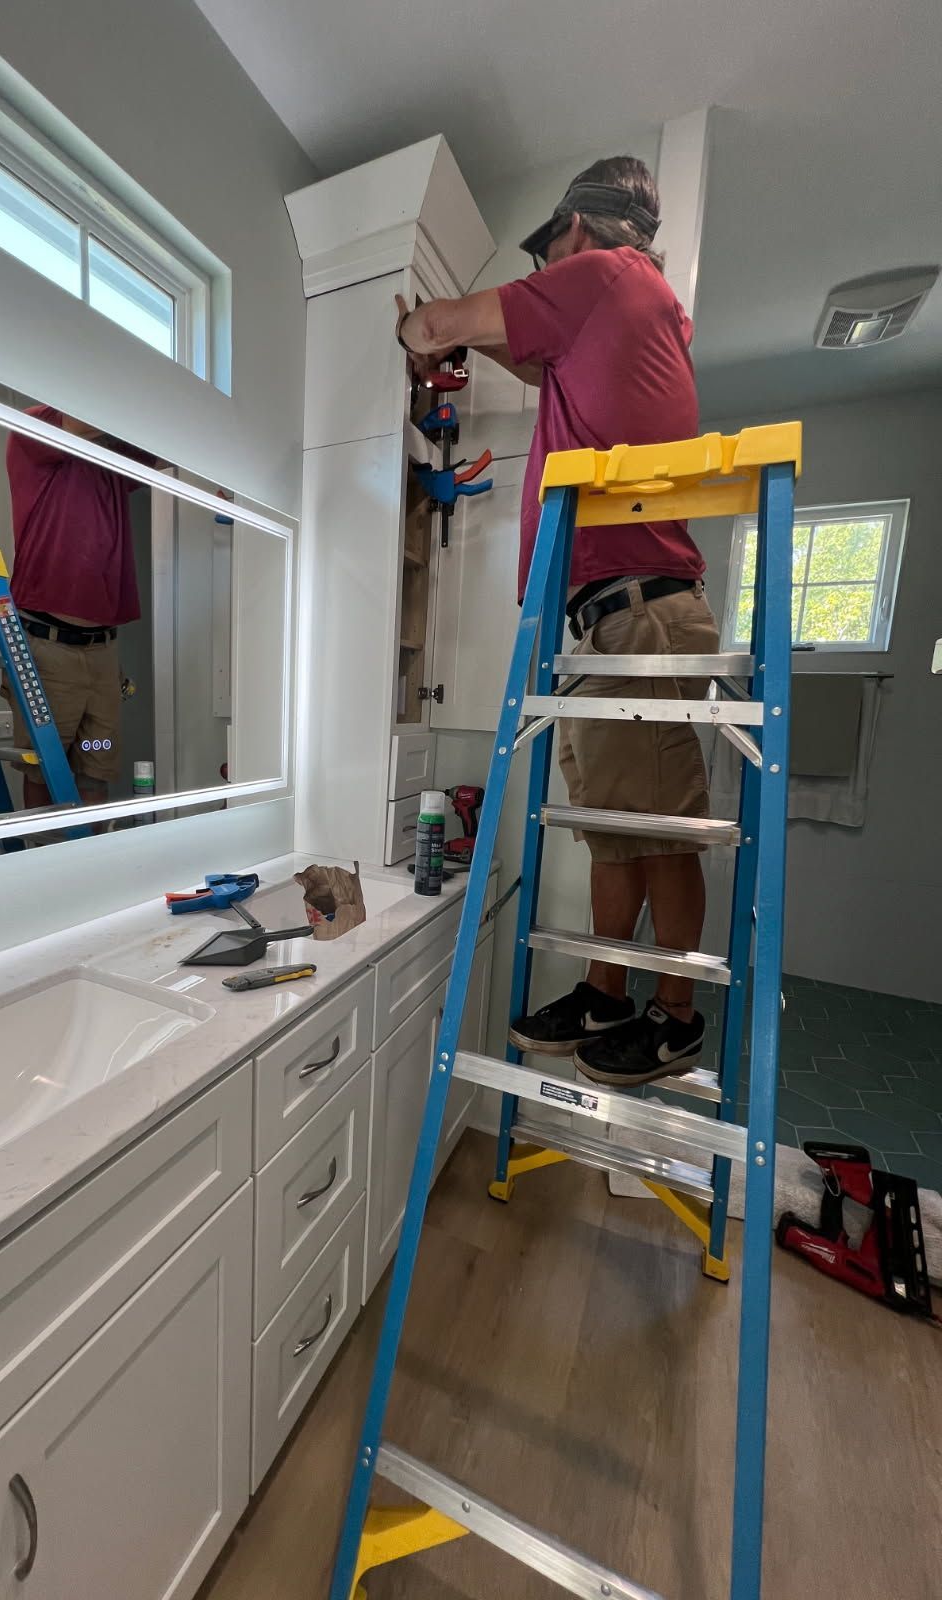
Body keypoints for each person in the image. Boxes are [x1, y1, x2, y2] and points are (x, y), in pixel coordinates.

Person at [394, 155, 717, 1087]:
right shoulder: (627, 308)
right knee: (616, 822)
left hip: (640, 612)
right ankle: (609, 993)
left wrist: (419, 331)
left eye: (548, 252)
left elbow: (445, 322)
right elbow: (524, 351)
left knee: (662, 826)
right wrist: (478, 350)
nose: (543, 270)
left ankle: (676, 1016)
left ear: (578, 229)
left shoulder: (601, 276)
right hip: (611, 612)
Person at [3, 405, 160, 814]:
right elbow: (82, 420)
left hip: (102, 658)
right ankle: (46, 869)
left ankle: (93, 867)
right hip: (49, 651)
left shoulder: (108, 457)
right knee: (44, 770)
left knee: (96, 762)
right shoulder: (34, 428)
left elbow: (162, 451)